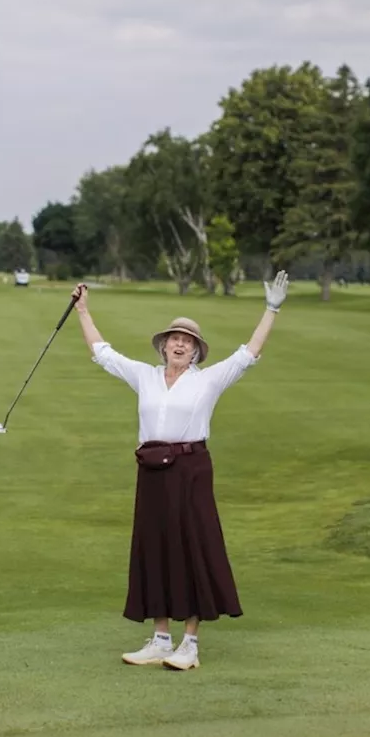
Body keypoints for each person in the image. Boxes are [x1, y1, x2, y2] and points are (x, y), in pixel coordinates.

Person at [71, 272, 289, 670]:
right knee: (154, 548)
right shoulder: (146, 376)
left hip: (190, 470)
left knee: (193, 547)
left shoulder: (207, 381)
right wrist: (83, 310)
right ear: (163, 346)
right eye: (174, 339)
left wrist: (271, 309)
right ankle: (160, 638)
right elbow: (103, 352)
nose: (180, 344)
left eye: (187, 342)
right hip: (152, 470)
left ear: (197, 352)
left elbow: (248, 354)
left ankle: (189, 644)